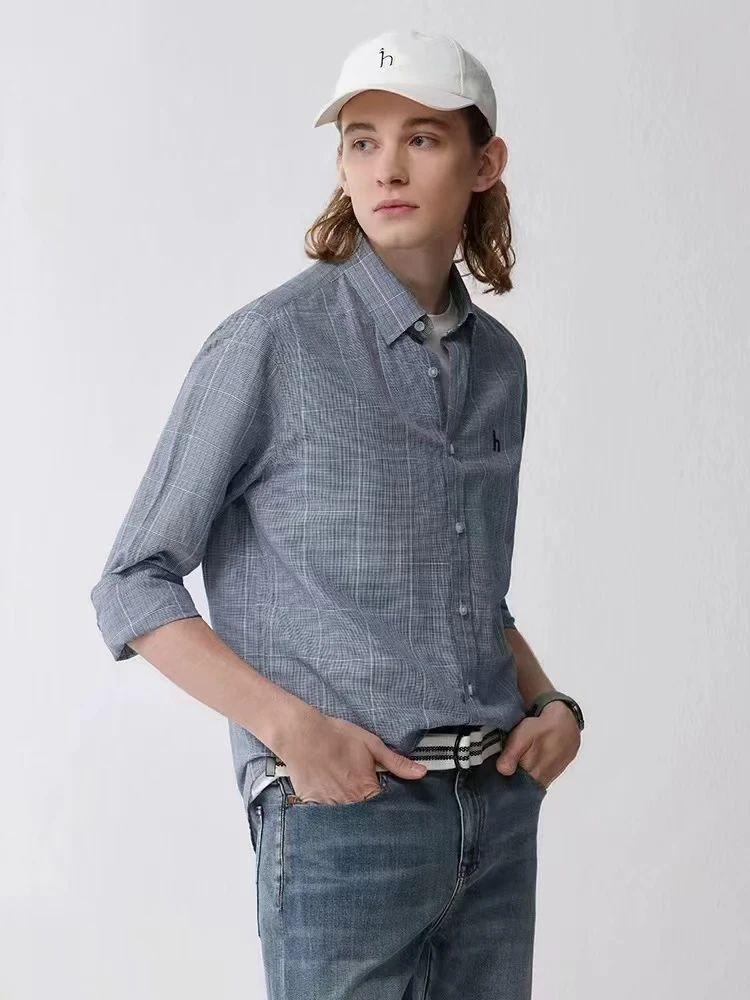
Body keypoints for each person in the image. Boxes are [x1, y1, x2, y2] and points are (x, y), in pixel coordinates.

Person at [90, 28, 584, 1000]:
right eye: (362, 141)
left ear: (485, 162)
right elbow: (132, 583)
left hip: (495, 812)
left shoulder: (500, 367)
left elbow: (471, 593)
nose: (386, 167)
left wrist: (554, 706)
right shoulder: (271, 344)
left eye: (422, 139)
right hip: (343, 822)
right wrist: (289, 731)